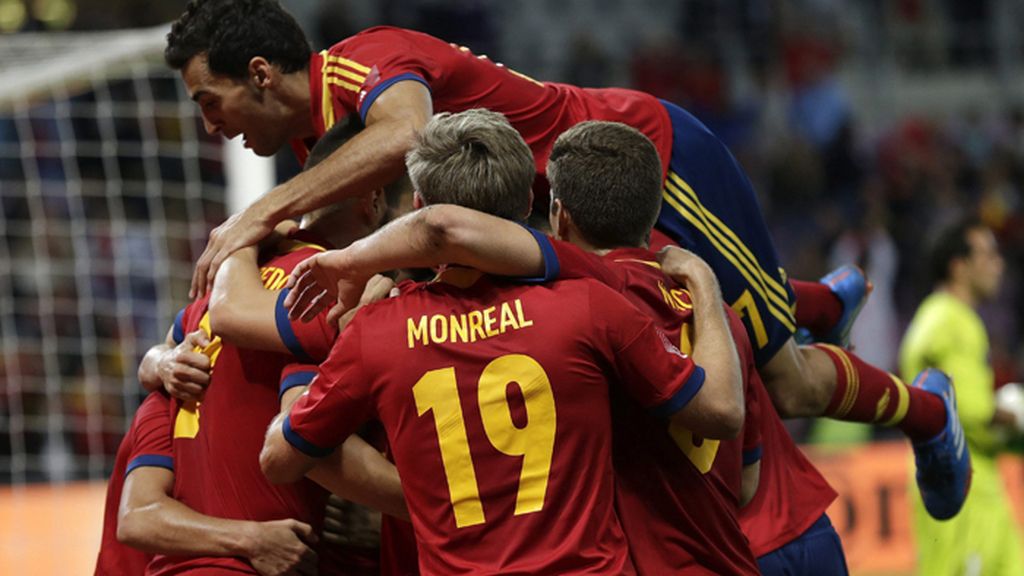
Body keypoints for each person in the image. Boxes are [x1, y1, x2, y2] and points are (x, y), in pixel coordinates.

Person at [164, 0, 968, 517]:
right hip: (551, 233)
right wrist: (167, 354)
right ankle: (816, 303)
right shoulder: (321, 149)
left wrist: (260, 211)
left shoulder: (362, 64)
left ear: (261, 74)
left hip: (639, 166)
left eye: (209, 102)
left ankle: (931, 414)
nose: (211, 127)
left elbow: (407, 136)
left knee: (780, 375)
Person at [286, 120, 847, 575]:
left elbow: (444, 230)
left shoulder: (583, 303)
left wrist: (347, 259)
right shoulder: (716, 321)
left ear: (558, 214)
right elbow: (744, 474)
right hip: (756, 550)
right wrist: (704, 281)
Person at [132, 123, 405, 575]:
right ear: (375, 202)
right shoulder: (332, 297)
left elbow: (163, 354)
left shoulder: (201, 309)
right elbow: (299, 448)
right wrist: (425, 506)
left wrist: (159, 359)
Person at [900, 220, 1024, 576]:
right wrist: (1016, 415)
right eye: (987, 254)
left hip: (971, 482)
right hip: (961, 489)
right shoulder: (951, 321)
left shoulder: (938, 317)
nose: (998, 264)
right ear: (959, 266)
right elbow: (974, 413)